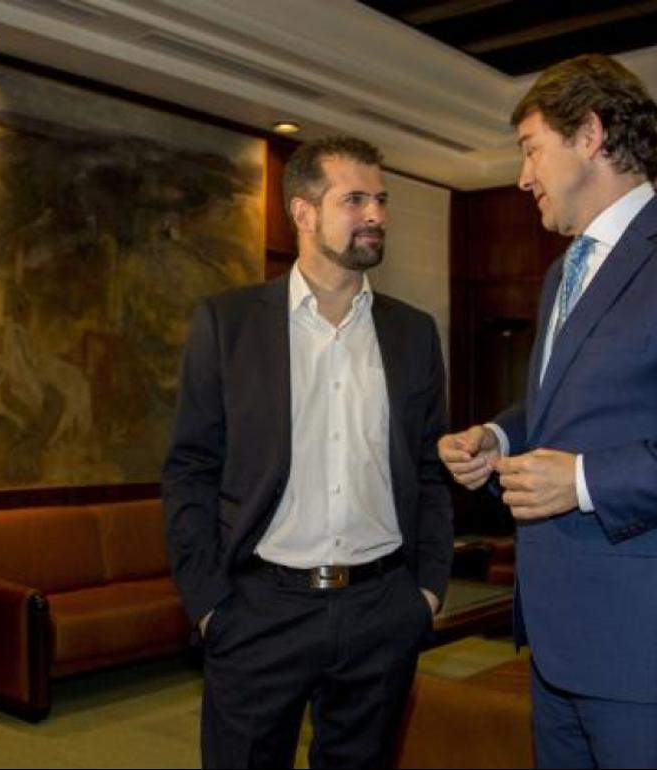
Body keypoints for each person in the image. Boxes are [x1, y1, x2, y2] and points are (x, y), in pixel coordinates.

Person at [438, 54, 657, 768]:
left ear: (591, 135)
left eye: (531, 150)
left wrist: (582, 481)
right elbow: (568, 398)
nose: (522, 176)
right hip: (561, 646)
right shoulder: (561, 272)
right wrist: (498, 432)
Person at [162, 136, 454, 769]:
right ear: (302, 212)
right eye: (354, 200)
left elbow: (430, 470)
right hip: (260, 609)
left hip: (384, 608)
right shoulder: (228, 323)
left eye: (380, 199)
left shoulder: (412, 333)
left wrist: (427, 591)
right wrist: (210, 604)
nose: (375, 214)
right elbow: (190, 469)